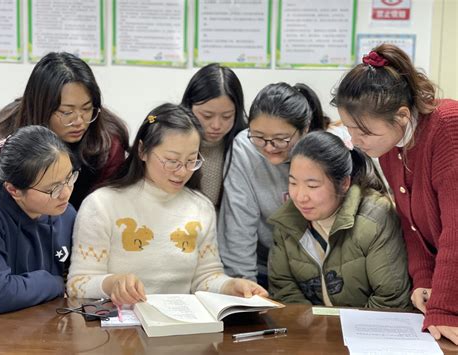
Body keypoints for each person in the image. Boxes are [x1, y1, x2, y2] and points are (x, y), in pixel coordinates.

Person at [67, 103, 267, 304]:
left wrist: (230, 286)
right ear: (143, 150)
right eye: (172, 160)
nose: (182, 172)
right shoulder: (102, 205)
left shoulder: (201, 208)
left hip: (180, 324)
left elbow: (205, 278)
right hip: (120, 328)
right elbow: (78, 284)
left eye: (191, 160)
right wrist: (112, 284)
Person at [332, 43, 458, 342]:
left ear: (402, 116)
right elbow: (411, 225)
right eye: (350, 128)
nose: (356, 140)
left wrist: (443, 306)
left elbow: (456, 229)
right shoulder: (390, 144)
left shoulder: (448, 127)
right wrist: (424, 281)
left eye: (364, 132)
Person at [217, 82, 343, 288]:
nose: (269, 147)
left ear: (305, 128)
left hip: (327, 274)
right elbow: (238, 225)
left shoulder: (329, 150)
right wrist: (244, 290)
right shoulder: (245, 150)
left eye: (281, 139)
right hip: (266, 271)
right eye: (258, 137)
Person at [268, 131, 411, 309]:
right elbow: (283, 290)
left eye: (312, 186)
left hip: (367, 331)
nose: (300, 197)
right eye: (293, 183)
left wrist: (339, 332)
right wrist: (313, 328)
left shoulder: (376, 217)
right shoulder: (286, 221)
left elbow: (391, 299)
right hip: (312, 333)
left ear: (344, 183)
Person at [0, 52, 129, 209]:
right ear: (42, 107)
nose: (79, 121)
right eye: (67, 112)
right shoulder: (4, 139)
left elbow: (104, 209)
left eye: (87, 108)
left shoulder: (107, 142)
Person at [0, 125, 77, 314]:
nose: (66, 193)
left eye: (69, 178)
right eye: (53, 189)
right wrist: (55, 283)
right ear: (14, 190)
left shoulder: (66, 214)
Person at [181, 63, 247, 207]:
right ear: (189, 106)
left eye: (227, 116)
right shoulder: (171, 134)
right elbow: (151, 120)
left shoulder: (245, 145)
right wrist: (152, 121)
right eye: (207, 115)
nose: (216, 125)